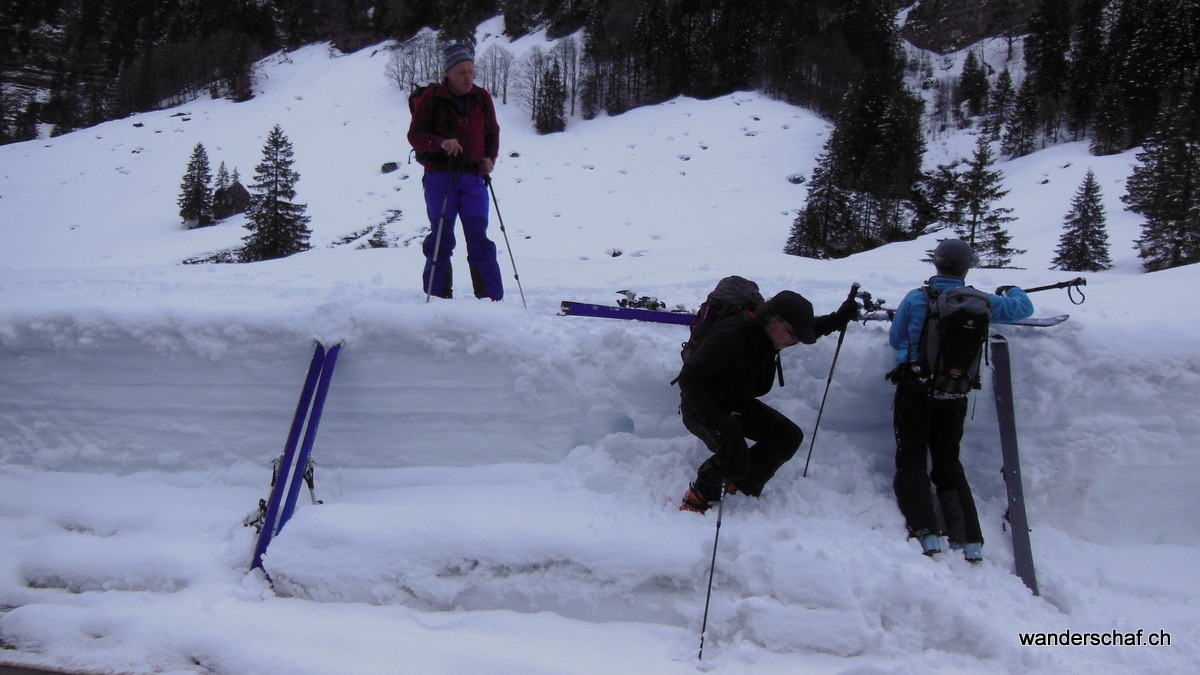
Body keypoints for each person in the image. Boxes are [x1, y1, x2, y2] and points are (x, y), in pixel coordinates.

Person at [887, 239, 1033, 562]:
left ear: (936, 264)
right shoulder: (980, 302)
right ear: (967, 267)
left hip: (916, 390)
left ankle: (927, 535)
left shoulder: (916, 298)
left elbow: (896, 338)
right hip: (955, 393)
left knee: (912, 458)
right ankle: (969, 542)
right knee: (948, 462)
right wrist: (1012, 289)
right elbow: (1022, 308)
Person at [677, 290, 859, 513]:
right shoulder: (733, 334)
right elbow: (689, 378)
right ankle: (698, 497)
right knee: (736, 457)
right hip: (702, 405)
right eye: (792, 335)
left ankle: (742, 488)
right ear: (773, 320)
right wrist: (718, 420)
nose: (793, 342)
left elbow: (804, 328)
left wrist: (836, 319)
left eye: (797, 338)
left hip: (735, 402)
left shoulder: (769, 333)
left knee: (788, 437)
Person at [407, 43, 503, 301]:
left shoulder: (481, 97)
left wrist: (489, 158)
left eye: (471, 71)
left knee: (479, 237)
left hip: (474, 177)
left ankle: (491, 300)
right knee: (440, 237)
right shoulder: (432, 98)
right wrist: (441, 142)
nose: (468, 77)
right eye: (461, 72)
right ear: (448, 73)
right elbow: (415, 135)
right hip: (441, 176)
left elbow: (492, 132)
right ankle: (437, 299)